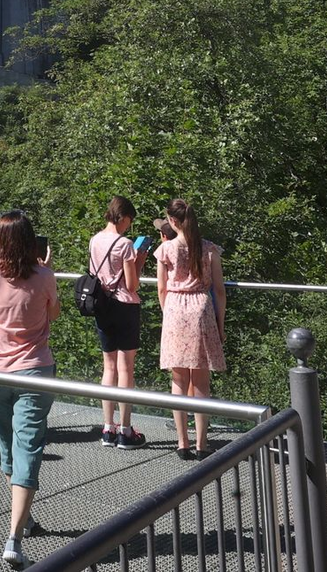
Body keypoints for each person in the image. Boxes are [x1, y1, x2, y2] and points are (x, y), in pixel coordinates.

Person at [0, 210, 61, 569]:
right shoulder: (45, 276)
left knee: (8, 446)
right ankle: (15, 536)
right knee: (28, 446)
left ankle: (21, 521)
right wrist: (45, 268)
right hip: (35, 371)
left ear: (0, 241)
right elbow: (53, 314)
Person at [155, 197, 226, 460]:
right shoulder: (209, 250)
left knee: (179, 379)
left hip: (175, 308)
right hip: (202, 309)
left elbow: (162, 288)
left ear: (172, 222)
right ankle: (201, 443)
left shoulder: (165, 250)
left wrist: (168, 314)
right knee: (201, 381)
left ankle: (182, 442)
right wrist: (220, 325)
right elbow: (219, 290)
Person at [88, 195, 145, 449]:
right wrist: (139, 259)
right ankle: (125, 430)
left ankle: (107, 428)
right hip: (124, 306)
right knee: (126, 369)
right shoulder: (125, 244)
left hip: (103, 307)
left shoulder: (94, 240)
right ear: (122, 217)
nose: (128, 227)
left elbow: (94, 274)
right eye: (128, 221)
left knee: (108, 367)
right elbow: (132, 285)